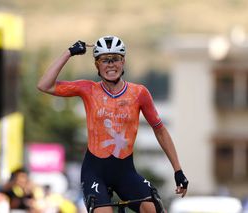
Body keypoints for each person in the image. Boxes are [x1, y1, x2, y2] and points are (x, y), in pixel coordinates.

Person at [37, 35, 189, 213]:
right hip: (95, 172)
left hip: (125, 172)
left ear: (123, 62)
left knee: (153, 207)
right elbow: (44, 85)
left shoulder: (139, 93)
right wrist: (69, 53)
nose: (110, 64)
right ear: (97, 65)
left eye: (115, 59)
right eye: (104, 60)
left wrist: (178, 170)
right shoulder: (88, 89)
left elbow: (160, 131)